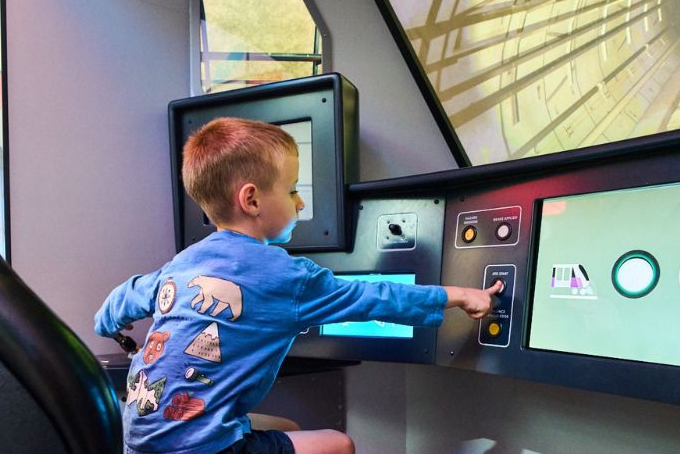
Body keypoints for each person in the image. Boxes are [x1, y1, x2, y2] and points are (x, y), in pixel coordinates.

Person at [94, 117, 501, 454]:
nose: (301, 204)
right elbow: (373, 297)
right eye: (292, 191)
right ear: (251, 201)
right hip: (202, 448)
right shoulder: (287, 276)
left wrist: (109, 324)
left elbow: (125, 297)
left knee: (286, 427)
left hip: (142, 439)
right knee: (338, 444)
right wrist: (461, 295)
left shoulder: (182, 263)